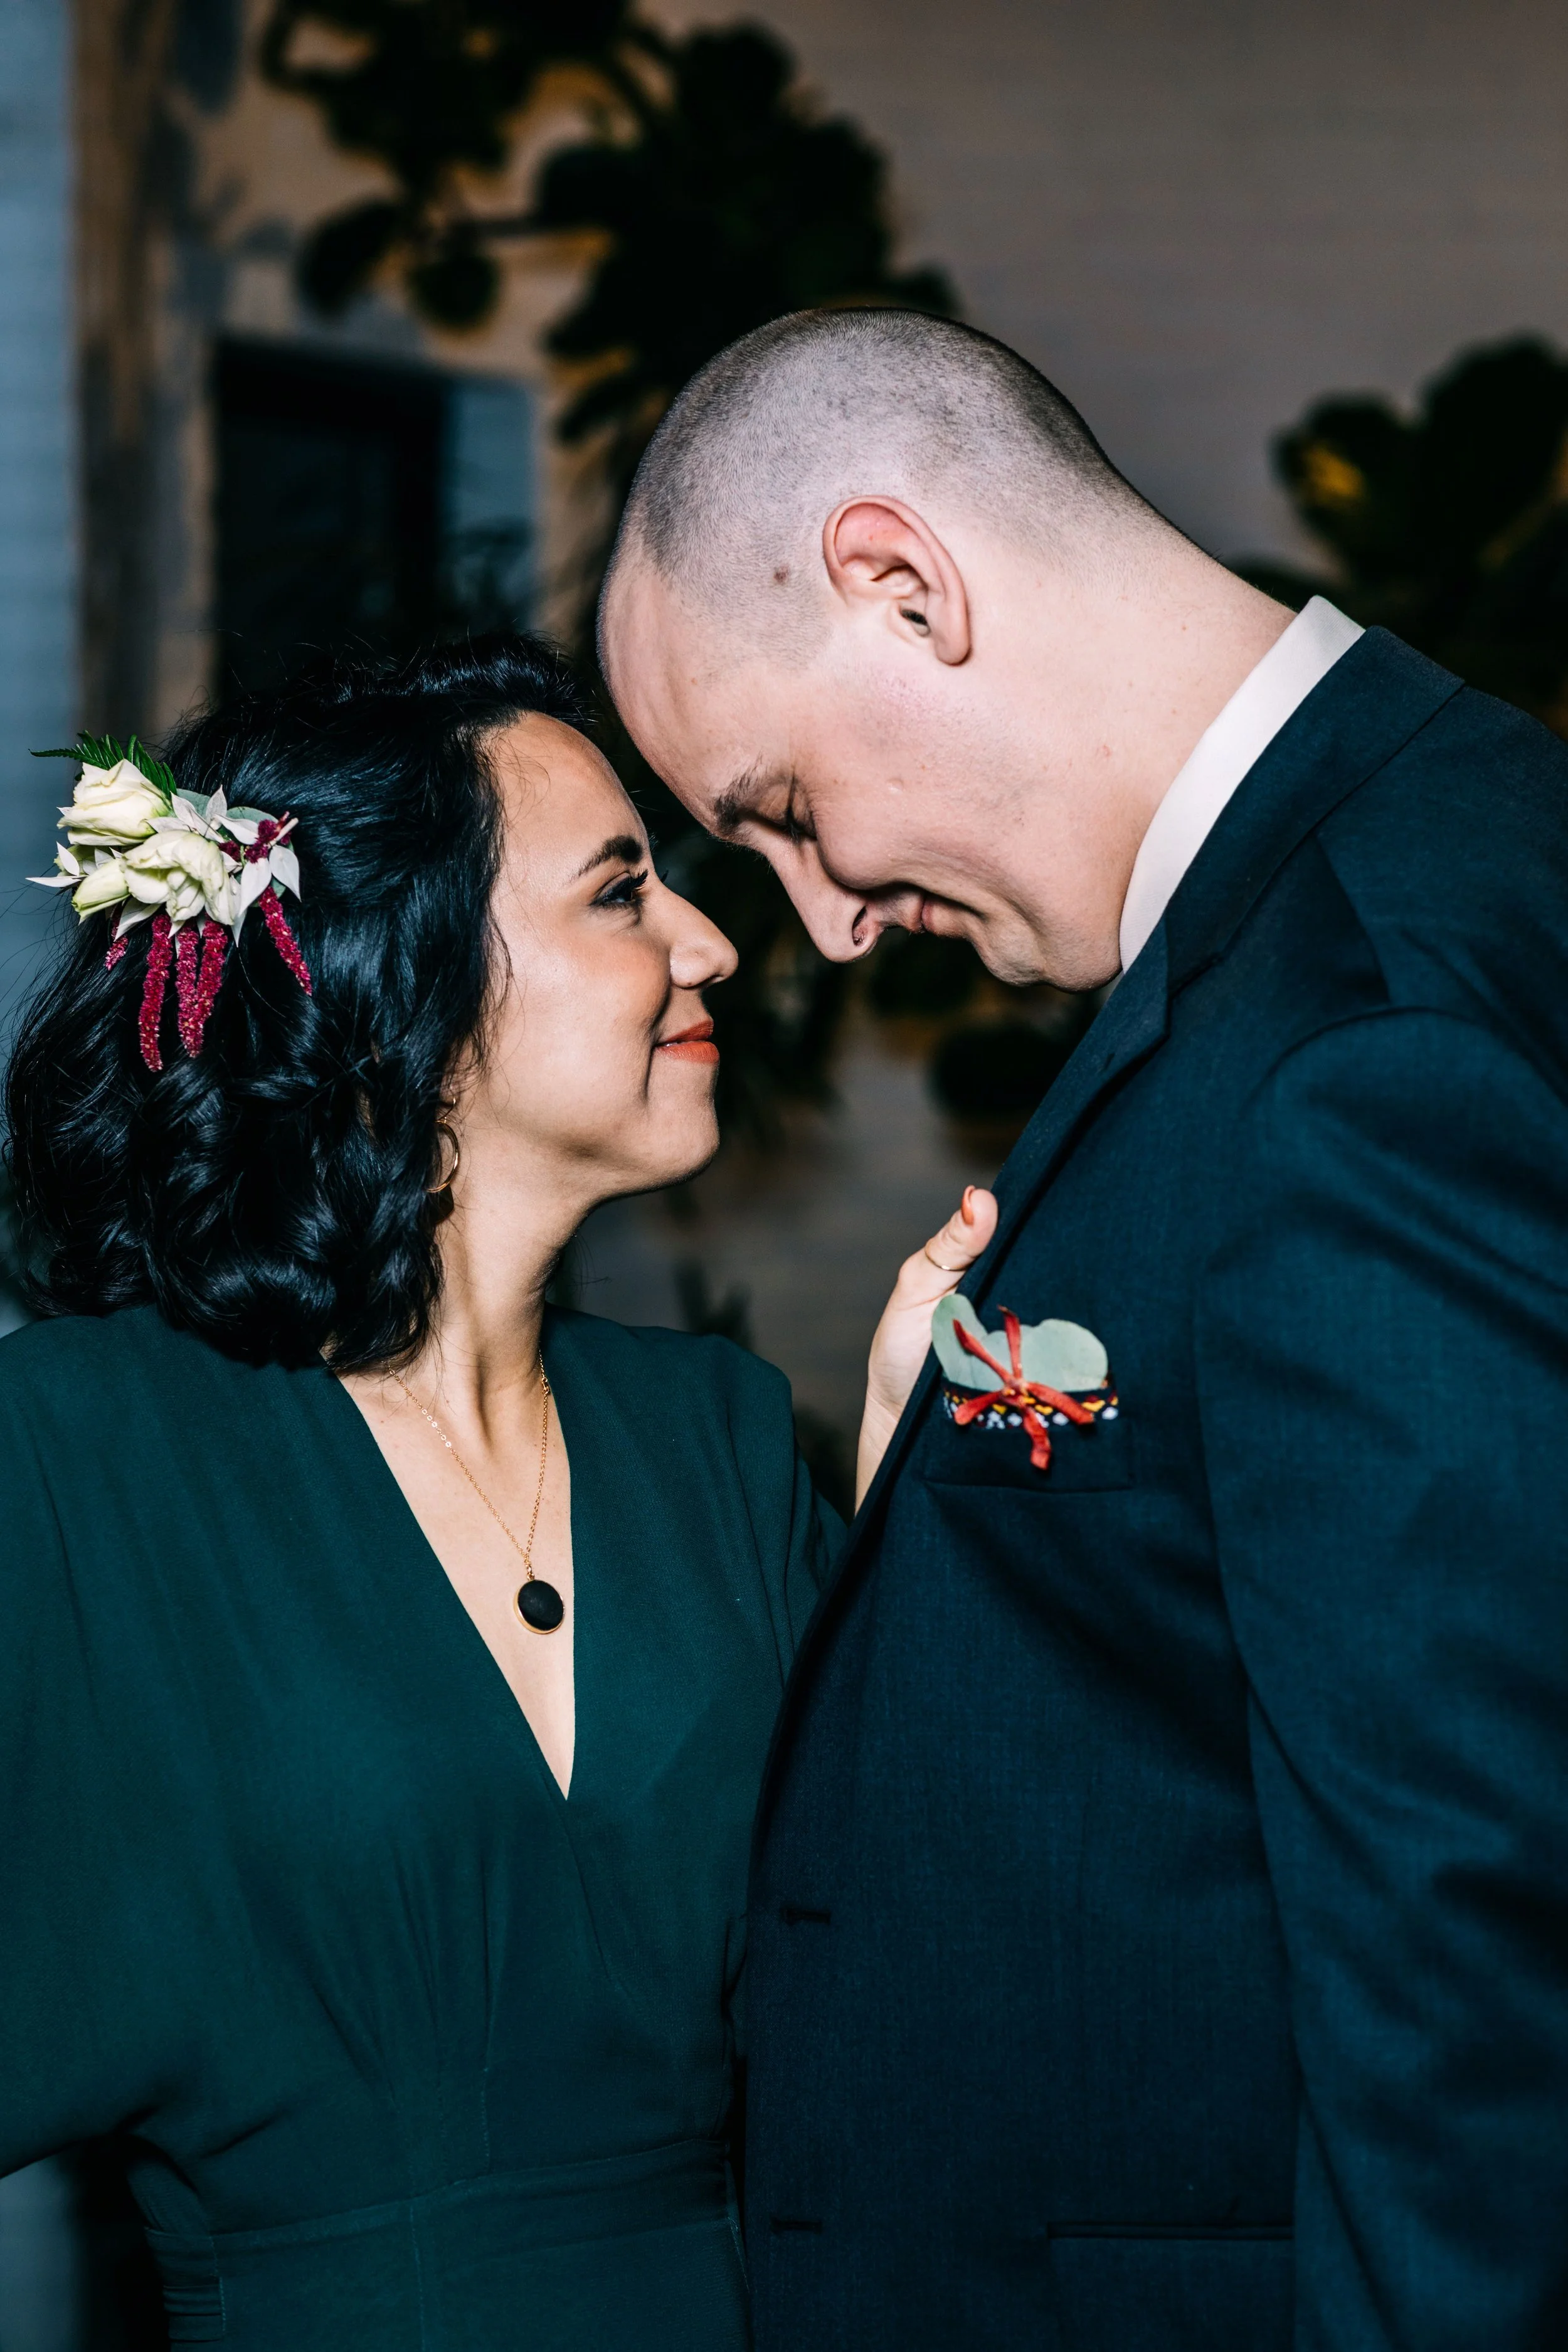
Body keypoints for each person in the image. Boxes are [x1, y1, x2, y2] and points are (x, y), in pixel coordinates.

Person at [599, 309, 1568, 2350]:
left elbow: (1471, 1943)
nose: (826, 917)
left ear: (901, 584)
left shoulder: (1350, 1024)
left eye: (779, 803)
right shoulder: (1411, 859)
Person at [0, 635, 966, 2352]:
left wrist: (913, 1531)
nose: (710, 941)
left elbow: (915, 1966)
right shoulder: (80, 1454)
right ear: (407, 984)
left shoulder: (716, 1438)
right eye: (619, 893)